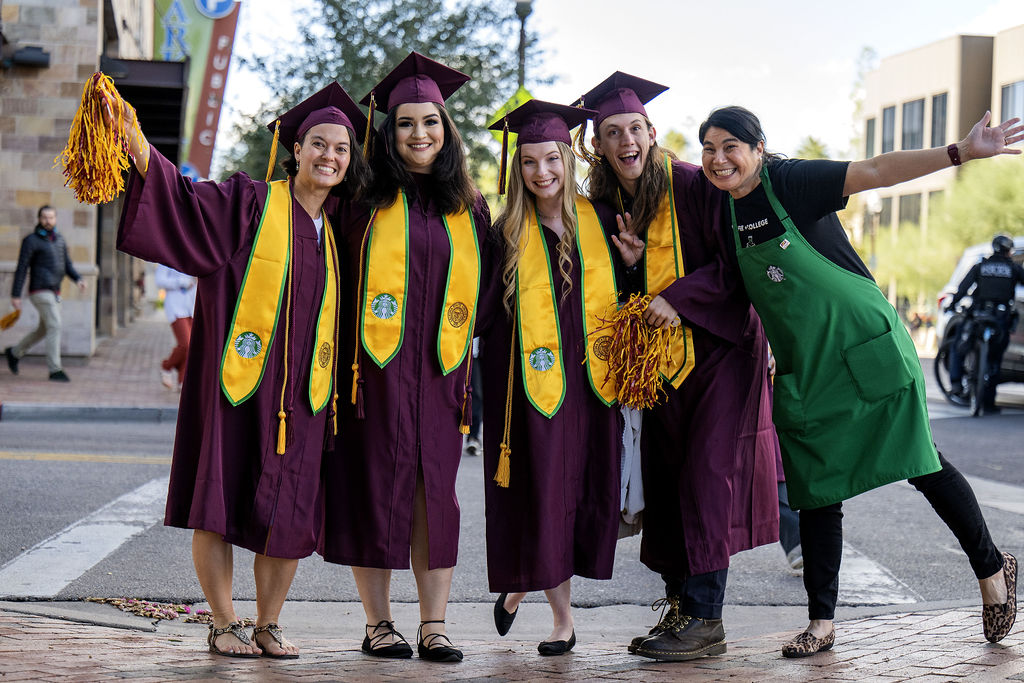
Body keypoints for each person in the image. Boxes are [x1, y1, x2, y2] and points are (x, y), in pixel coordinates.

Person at [697, 105, 1022, 656]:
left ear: (757, 147)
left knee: (922, 463)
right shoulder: (723, 214)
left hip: (865, 346)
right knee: (818, 492)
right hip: (807, 368)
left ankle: (992, 570)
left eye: (731, 145)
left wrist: (960, 152)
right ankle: (821, 624)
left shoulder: (792, 181)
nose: (719, 157)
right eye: (708, 148)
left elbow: (875, 170)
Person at [109, 81, 370, 658]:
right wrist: (138, 150)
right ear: (295, 150)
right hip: (238, 385)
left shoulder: (344, 231)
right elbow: (185, 203)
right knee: (220, 499)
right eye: (318, 145)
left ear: (351, 161)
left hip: (304, 394)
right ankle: (223, 622)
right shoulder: (250, 202)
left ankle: (269, 623)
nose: (329, 156)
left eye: (342, 149)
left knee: (293, 508)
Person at [574, 72, 781, 662]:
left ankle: (707, 619)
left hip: (721, 355)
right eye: (611, 133)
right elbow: (629, 288)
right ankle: (680, 608)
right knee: (666, 482)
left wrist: (679, 297)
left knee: (705, 479)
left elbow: (737, 264)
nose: (624, 142)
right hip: (661, 366)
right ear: (599, 144)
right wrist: (636, 268)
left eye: (633, 129)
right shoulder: (612, 201)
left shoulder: (695, 184)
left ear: (652, 132)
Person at [320, 52, 490, 663]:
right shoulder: (361, 201)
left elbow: (495, 291)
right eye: (406, 123)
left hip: (443, 378)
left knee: (434, 495)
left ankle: (434, 623)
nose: (420, 134)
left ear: (448, 132)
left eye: (431, 123)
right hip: (374, 375)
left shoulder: (469, 207)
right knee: (375, 488)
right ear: (388, 133)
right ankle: (378, 624)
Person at [478, 99, 621, 656]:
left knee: (574, 494)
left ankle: (524, 585)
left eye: (551, 160)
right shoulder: (506, 231)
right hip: (529, 387)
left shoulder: (600, 220)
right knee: (544, 493)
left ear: (567, 158)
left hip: (590, 384)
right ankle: (562, 620)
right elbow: (484, 307)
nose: (542, 172)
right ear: (519, 169)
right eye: (530, 162)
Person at [5, 206, 87, 382]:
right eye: (44, 217)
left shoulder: (60, 240)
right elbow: (21, 268)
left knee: (44, 329)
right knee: (55, 325)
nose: (48, 221)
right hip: (40, 290)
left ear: (56, 219)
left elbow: (67, 265)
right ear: (39, 218)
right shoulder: (31, 240)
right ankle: (55, 369)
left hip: (55, 291)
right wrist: (15, 295)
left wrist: (78, 279)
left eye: (51, 217)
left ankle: (14, 352)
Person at [947, 233, 1024, 413]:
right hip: (1000, 319)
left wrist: (951, 305)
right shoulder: (1013, 268)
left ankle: (956, 383)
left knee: (959, 345)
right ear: (1008, 251)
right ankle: (989, 402)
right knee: (995, 359)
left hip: (978, 315)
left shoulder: (981, 266)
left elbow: (962, 289)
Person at [154, 264, 196, 390]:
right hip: (176, 306)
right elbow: (159, 280)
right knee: (186, 344)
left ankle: (182, 382)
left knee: (191, 346)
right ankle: (166, 367)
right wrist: (182, 282)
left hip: (193, 306)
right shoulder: (168, 258)